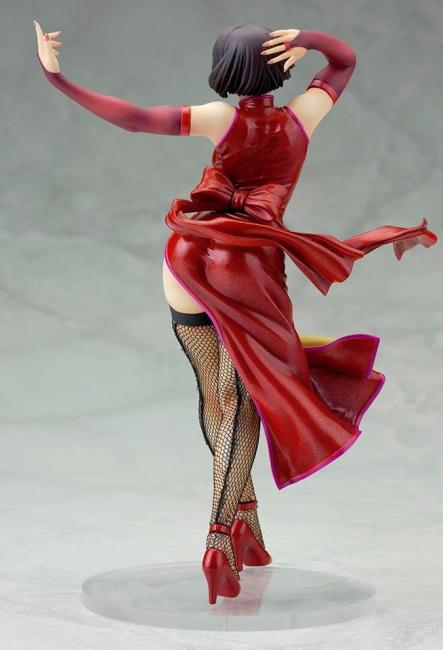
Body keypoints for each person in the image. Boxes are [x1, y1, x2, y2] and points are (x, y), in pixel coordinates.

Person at [34, 20, 437, 605]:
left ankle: (245, 519)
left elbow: (133, 117)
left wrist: (58, 79)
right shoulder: (302, 117)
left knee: (215, 394)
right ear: (281, 65)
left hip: (186, 256)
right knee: (242, 397)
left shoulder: (217, 118)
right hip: (244, 270)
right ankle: (219, 539)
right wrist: (310, 38)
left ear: (224, 68)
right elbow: (345, 61)